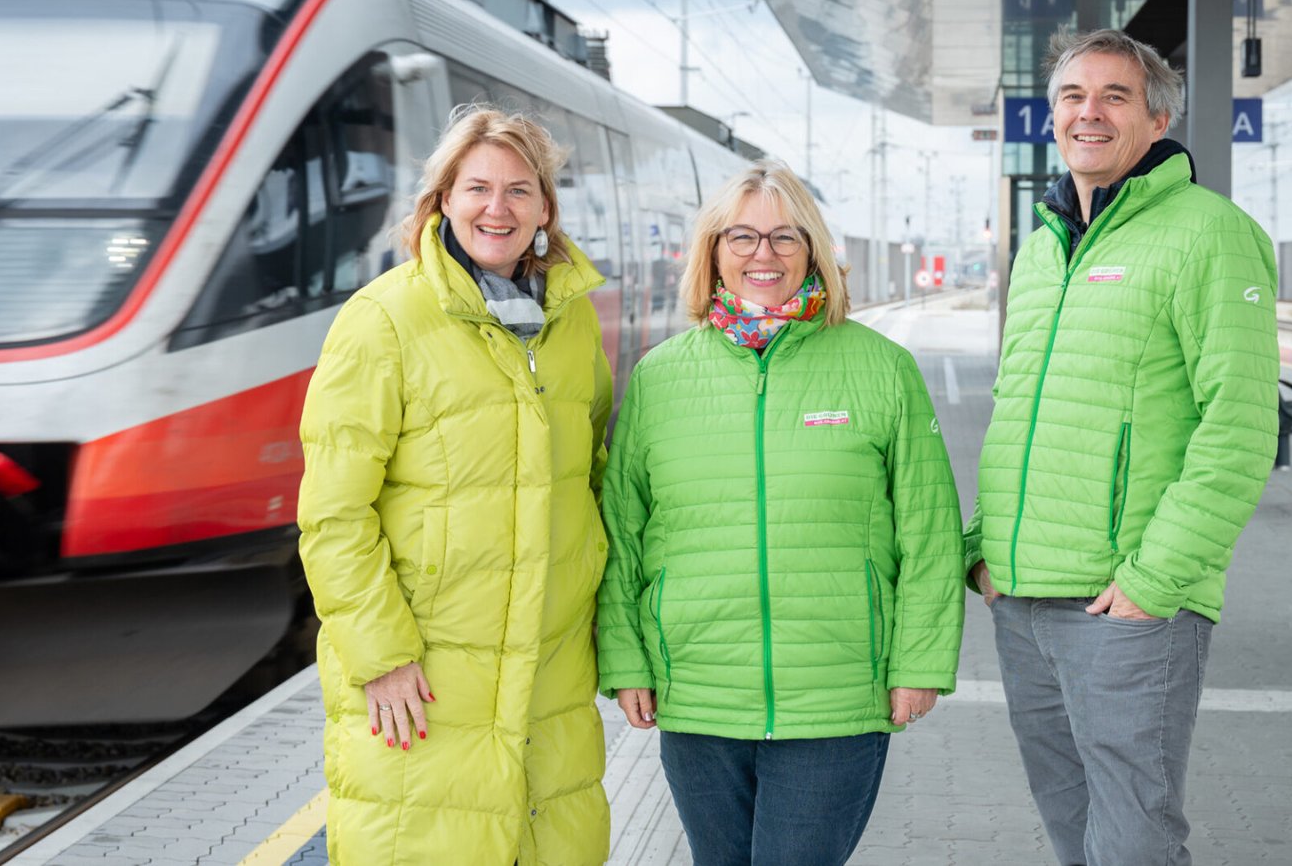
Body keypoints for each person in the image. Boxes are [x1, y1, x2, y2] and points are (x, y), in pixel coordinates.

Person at [964, 29, 1280, 866]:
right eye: (1072, 96)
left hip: (1126, 603)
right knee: (1071, 824)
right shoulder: (1043, 249)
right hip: (1022, 598)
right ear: (1052, 117)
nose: (1088, 113)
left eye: (1114, 96)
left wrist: (1155, 579)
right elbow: (1019, 411)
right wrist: (986, 554)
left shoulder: (1208, 233)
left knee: (1134, 834)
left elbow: (1241, 424)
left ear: (1158, 117)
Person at [597, 160, 964, 866]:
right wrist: (626, 659)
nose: (762, 254)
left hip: (835, 695)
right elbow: (624, 534)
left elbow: (929, 531)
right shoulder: (659, 377)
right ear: (712, 253)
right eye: (741, 237)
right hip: (698, 693)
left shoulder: (882, 368)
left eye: (784, 237)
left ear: (813, 251)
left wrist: (919, 660)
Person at [297, 105, 612, 865]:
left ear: (544, 209)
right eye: (476, 188)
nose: (496, 208)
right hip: (424, 678)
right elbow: (335, 513)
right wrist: (380, 655)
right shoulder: (384, 319)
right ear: (442, 199)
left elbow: (591, 480)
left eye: (518, 190)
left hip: (550, 674)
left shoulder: (571, 326)